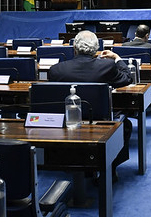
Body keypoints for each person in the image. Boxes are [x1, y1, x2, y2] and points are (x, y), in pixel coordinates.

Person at [48, 30, 133, 180]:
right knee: (126, 125)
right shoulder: (107, 66)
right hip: (99, 123)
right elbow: (127, 78)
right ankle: (110, 167)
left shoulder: (56, 70)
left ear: (74, 47)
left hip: (67, 123)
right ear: (96, 49)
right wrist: (117, 58)